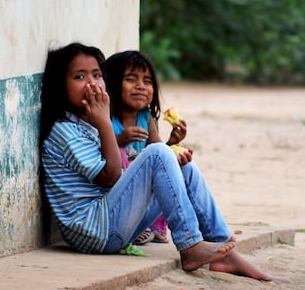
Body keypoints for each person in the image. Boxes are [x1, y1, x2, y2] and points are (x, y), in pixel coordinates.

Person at [39, 42, 272, 280]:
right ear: (60, 87)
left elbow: (131, 171)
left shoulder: (86, 124)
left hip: (112, 224)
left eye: (97, 75)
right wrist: (105, 123)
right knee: (159, 152)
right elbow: (111, 177)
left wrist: (168, 154)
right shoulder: (65, 131)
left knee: (184, 166)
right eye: (80, 76)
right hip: (95, 232)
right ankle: (190, 246)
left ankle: (221, 247)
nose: (92, 83)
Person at [105, 50, 181, 245]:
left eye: (147, 82)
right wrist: (119, 140)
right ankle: (136, 227)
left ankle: (155, 226)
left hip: (143, 188)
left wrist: (172, 144)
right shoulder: (107, 119)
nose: (140, 86)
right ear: (112, 83)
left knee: (172, 171)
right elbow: (101, 153)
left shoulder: (146, 117)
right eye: (131, 79)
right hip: (119, 189)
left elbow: (158, 154)